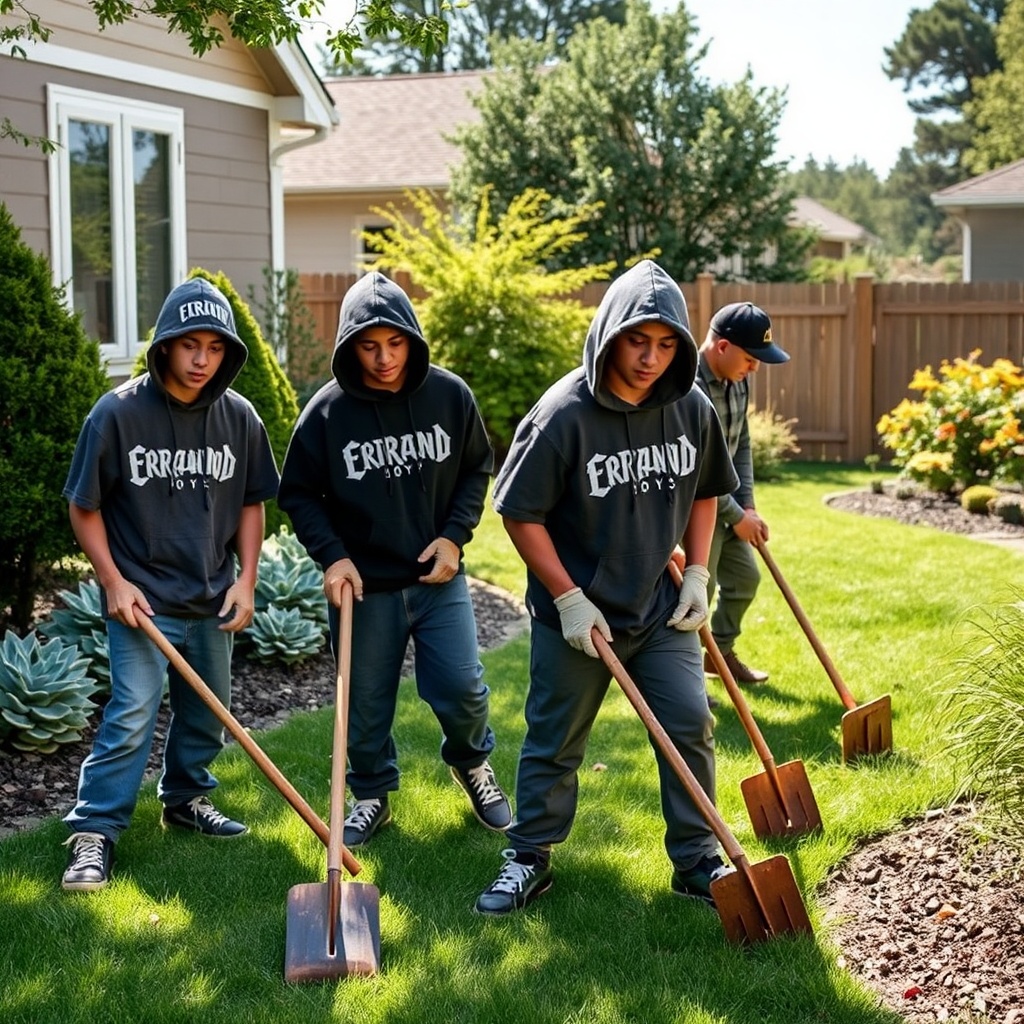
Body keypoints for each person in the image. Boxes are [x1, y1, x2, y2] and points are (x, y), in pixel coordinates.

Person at [474, 260, 739, 916]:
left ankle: (697, 860)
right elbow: (519, 512)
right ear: (610, 334)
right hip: (579, 616)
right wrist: (567, 596)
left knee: (690, 722)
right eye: (637, 340)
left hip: (657, 605)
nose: (651, 358)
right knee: (555, 738)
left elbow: (707, 490)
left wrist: (699, 573)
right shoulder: (564, 413)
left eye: (666, 343)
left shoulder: (691, 406)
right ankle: (529, 856)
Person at [277, 271, 511, 848]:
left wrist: (455, 537)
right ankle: (371, 794)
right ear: (350, 345)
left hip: (437, 580)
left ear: (413, 338)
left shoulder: (449, 395)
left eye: (396, 343)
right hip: (364, 589)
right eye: (369, 345)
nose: (384, 358)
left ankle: (471, 764)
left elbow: (476, 469)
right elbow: (299, 494)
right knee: (363, 704)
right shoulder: (327, 414)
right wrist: (333, 558)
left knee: (462, 688)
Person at [61, 278, 280, 892]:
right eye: (190, 345)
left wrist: (247, 581)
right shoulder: (117, 414)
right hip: (142, 604)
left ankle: (185, 800)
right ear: (163, 347)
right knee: (133, 712)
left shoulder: (239, 417)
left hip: (212, 598)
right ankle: (93, 833)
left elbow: (251, 503)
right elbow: (84, 505)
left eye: (215, 347)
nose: (202, 359)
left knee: (209, 712)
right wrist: (114, 581)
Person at [694, 301, 790, 685]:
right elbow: (696, 472)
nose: (755, 368)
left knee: (745, 577)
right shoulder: (688, 389)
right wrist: (738, 517)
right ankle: (686, 684)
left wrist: (746, 503)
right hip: (695, 509)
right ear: (722, 347)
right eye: (751, 358)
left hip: (729, 504)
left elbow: (742, 444)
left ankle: (718, 654)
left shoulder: (738, 381)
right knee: (698, 593)